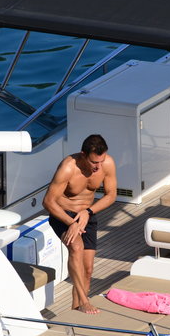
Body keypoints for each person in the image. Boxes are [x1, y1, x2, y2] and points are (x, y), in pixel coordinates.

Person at [43, 134, 117, 314]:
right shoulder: (68, 168)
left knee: (88, 269)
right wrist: (72, 223)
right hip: (63, 215)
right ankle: (84, 301)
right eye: (94, 162)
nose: (98, 167)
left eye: (101, 161)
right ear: (83, 155)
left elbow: (111, 195)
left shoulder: (107, 164)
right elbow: (48, 201)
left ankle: (76, 308)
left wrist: (88, 212)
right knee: (76, 247)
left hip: (86, 215)